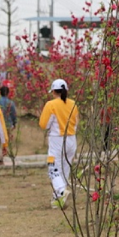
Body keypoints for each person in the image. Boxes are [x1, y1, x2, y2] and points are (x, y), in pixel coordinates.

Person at [39, 79, 79, 209]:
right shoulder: (73, 104)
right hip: (71, 139)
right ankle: (57, 199)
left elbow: (44, 124)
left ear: (54, 91)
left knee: (53, 168)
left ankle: (62, 190)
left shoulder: (51, 104)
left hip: (57, 139)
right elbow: (76, 122)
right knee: (64, 169)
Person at [0, 86, 17, 165]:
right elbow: (14, 114)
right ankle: (3, 156)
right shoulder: (11, 103)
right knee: (5, 141)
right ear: (8, 93)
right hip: (8, 124)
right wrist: (14, 123)